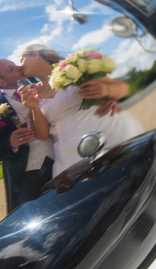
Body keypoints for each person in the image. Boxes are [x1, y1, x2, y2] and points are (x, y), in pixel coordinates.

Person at [17, 44, 143, 175]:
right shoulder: (33, 92)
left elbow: (122, 87)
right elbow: (42, 135)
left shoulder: (74, 66)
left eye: (22, 60)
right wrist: (34, 107)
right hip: (70, 153)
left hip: (107, 132)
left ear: (35, 55)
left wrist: (107, 90)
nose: (20, 66)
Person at [0, 58, 55, 213]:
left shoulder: (41, 87)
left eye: (15, 65)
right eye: (10, 69)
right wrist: (10, 143)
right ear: (1, 82)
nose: (19, 67)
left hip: (61, 154)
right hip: (28, 174)